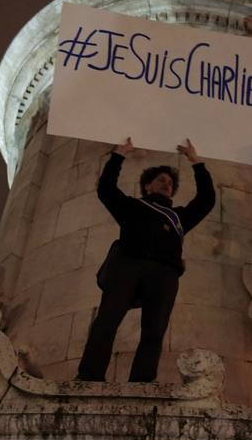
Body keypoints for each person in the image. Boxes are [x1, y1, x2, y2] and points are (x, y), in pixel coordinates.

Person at [76, 137, 216, 382]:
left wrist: (197, 162)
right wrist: (118, 155)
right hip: (127, 265)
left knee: (154, 332)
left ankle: (142, 383)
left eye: (170, 183)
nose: (167, 184)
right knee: (106, 322)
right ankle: (89, 376)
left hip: (165, 273)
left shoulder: (179, 217)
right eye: (161, 180)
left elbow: (206, 200)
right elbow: (106, 189)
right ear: (147, 186)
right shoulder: (131, 206)